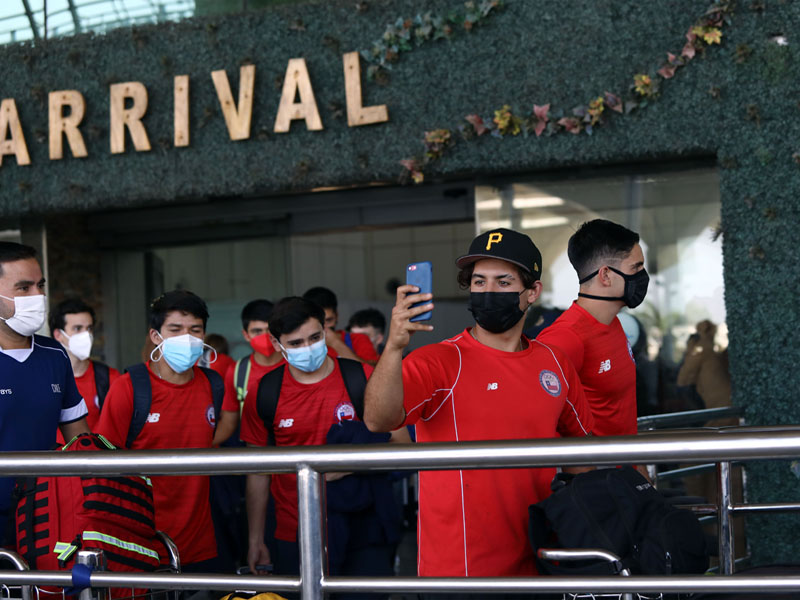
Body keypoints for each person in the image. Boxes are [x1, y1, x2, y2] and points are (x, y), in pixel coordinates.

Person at [363, 228, 594, 580]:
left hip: (541, 562)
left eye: (503, 282)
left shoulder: (555, 362)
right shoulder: (438, 361)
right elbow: (378, 421)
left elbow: (582, 454)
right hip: (459, 571)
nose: (488, 292)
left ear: (532, 292)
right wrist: (394, 347)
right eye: (479, 281)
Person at [243, 296, 392, 580]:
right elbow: (258, 473)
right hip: (294, 529)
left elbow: (401, 444)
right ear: (277, 344)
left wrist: (343, 466)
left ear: (326, 332)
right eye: (296, 343)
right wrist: (255, 539)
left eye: (315, 337)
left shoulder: (361, 377)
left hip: (362, 524)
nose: (308, 348)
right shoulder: (265, 393)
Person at [95, 290, 232, 572]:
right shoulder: (130, 387)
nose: (187, 338)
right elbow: (102, 462)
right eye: (175, 329)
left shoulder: (213, 384)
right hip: (143, 541)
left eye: (195, 330)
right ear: (156, 336)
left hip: (200, 540)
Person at [0, 242, 89, 547]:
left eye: (40, 286)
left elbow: (82, 443)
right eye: (23, 288)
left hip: (47, 517)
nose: (37, 297)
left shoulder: (54, 355)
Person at [537, 219, 649, 437]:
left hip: (626, 467)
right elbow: (542, 423)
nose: (643, 276)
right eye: (636, 267)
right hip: (598, 470)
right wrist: (586, 470)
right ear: (605, 275)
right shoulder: (565, 338)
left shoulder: (613, 323)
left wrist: (638, 468)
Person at [49, 298, 121, 436]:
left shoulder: (110, 378)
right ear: (58, 335)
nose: (86, 335)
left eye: (89, 328)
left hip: (95, 456)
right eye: (77, 329)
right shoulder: (46, 378)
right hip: (53, 456)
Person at [302, 287, 379, 365]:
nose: (324, 327)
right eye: (319, 322)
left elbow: (374, 372)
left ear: (337, 315)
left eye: (329, 320)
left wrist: (336, 343)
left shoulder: (358, 339)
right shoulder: (300, 347)